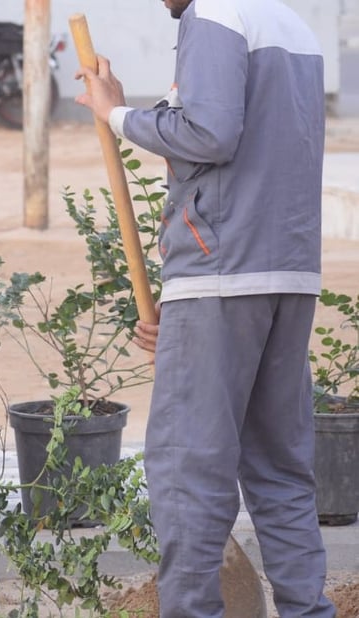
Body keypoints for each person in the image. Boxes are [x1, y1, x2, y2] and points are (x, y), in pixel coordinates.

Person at [73, 0, 335, 615]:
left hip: (220, 270)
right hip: (285, 273)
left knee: (189, 476)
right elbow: (229, 141)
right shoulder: (289, 23)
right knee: (280, 473)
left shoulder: (216, 14)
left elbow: (212, 135)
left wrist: (117, 115)